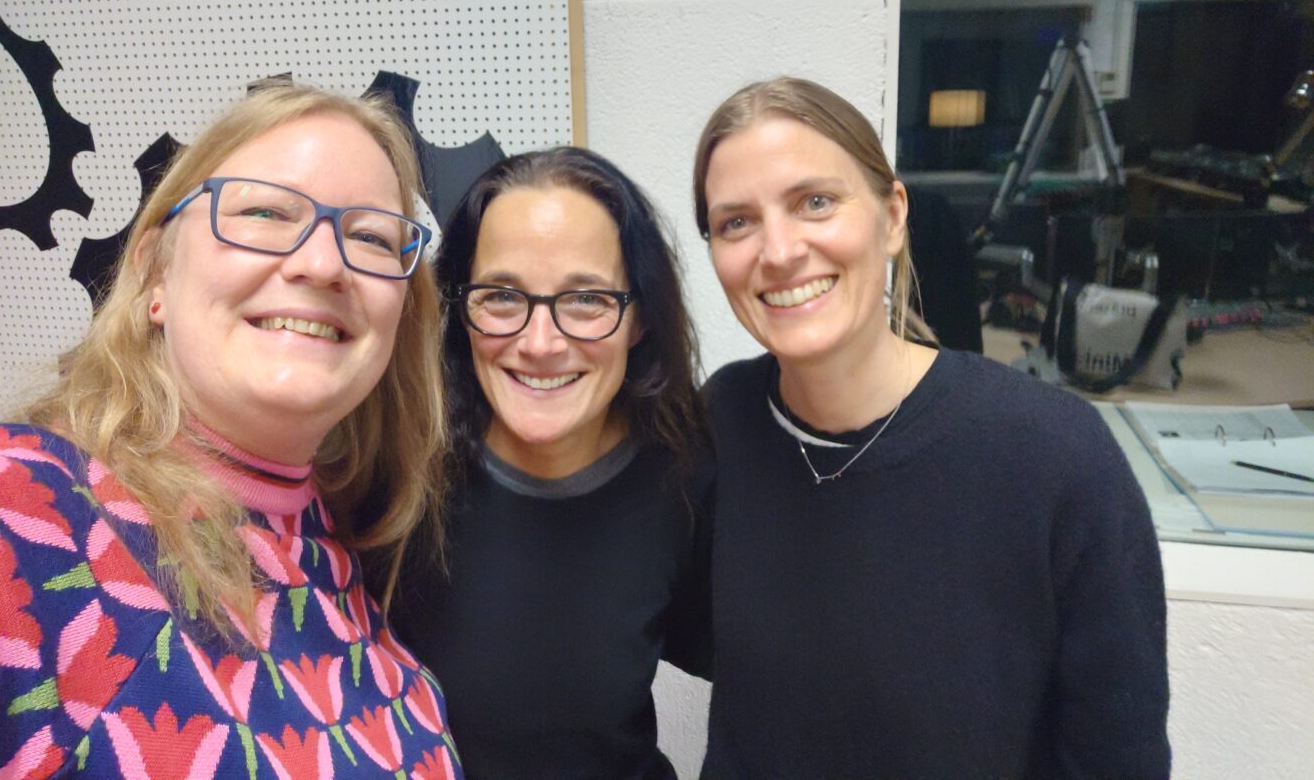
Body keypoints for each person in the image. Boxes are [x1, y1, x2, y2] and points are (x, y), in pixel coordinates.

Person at [692, 77, 1170, 779]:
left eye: (814, 202)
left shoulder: (1053, 455)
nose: (780, 250)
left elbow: (1117, 756)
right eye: (737, 222)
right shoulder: (720, 423)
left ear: (891, 217)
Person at [0, 86, 460, 779]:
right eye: (265, 213)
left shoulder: (346, 553)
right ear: (155, 271)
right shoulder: (18, 510)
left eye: (370, 237)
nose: (323, 264)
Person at [379, 147, 712, 780]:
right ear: (461, 310)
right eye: (502, 296)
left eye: (586, 299)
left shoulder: (687, 475)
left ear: (640, 318)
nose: (540, 343)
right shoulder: (395, 478)